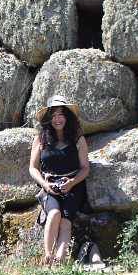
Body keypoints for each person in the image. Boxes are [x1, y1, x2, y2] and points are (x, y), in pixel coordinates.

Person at [29, 95, 89, 266]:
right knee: (54, 213)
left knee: (66, 220)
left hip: (73, 186)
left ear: (67, 117)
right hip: (49, 186)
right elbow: (32, 168)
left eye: (61, 114)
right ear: (48, 119)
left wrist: (72, 183)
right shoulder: (41, 139)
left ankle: (60, 261)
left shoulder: (77, 138)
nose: (57, 119)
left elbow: (85, 168)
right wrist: (45, 185)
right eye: (53, 115)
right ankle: (48, 257)